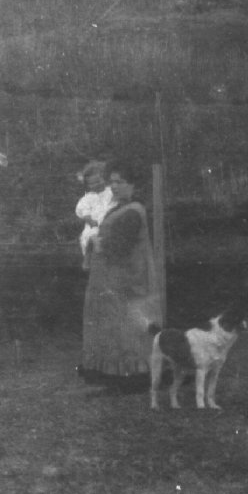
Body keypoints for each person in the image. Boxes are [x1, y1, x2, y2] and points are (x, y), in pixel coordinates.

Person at [81, 163, 161, 388]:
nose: (114, 186)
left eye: (120, 182)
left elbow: (120, 247)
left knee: (127, 331)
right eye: (112, 182)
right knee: (113, 330)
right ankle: (115, 377)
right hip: (112, 281)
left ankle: (132, 379)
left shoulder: (133, 211)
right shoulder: (120, 208)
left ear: (133, 186)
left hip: (125, 281)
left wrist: (97, 243)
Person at [73, 160, 113, 269]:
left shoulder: (111, 192)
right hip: (94, 224)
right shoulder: (87, 198)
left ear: (104, 178)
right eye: (92, 183)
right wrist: (90, 220)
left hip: (108, 222)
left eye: (99, 181)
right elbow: (83, 211)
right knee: (90, 236)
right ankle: (87, 260)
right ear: (87, 185)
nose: (97, 185)